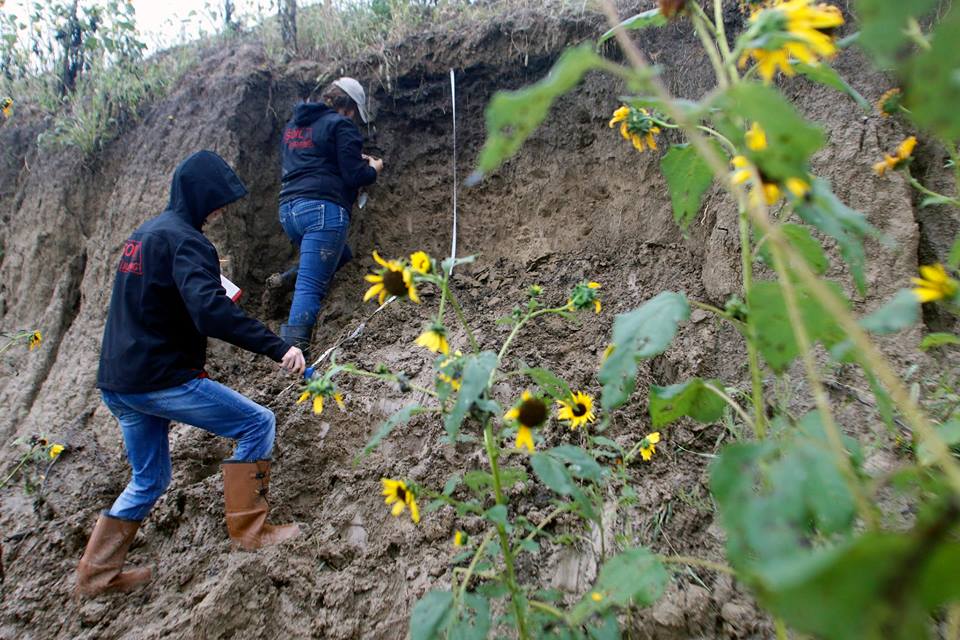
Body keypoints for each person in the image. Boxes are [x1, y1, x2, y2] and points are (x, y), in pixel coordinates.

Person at [76, 150, 306, 598]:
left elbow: (161, 298)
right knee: (257, 422)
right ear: (200, 195)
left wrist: (202, 277)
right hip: (158, 378)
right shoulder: (188, 242)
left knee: (150, 479)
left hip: (118, 382)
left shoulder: (145, 235)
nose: (221, 210)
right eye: (218, 200)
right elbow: (210, 314)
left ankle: (95, 575)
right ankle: (251, 532)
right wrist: (278, 347)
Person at [276, 77, 383, 357]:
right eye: (355, 114)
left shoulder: (293, 126)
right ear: (347, 108)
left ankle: (287, 279)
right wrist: (373, 168)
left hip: (289, 210)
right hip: (323, 211)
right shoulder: (341, 125)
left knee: (341, 256)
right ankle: (292, 353)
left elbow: (311, 160)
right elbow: (354, 175)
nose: (354, 119)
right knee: (311, 286)